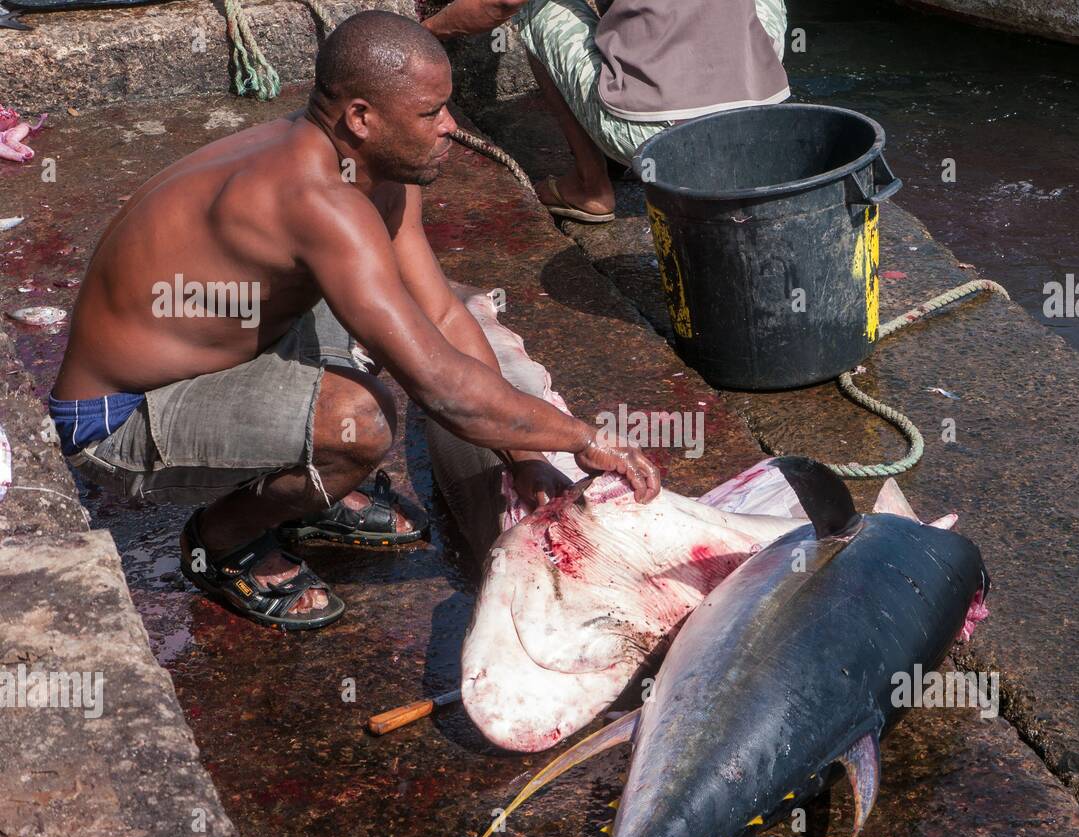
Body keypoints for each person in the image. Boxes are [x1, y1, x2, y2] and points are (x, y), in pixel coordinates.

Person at [48, 10, 660, 631]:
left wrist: (523, 456)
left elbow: (442, 315)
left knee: (389, 316)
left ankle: (309, 492)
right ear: (362, 118)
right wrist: (582, 438)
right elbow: (443, 390)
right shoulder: (318, 199)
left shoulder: (378, 165)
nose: (450, 127)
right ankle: (223, 540)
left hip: (227, 352)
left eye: (446, 108)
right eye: (430, 114)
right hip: (118, 417)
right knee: (360, 426)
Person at [423, 0, 789, 222]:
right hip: (760, 119)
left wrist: (424, 31)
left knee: (535, 6)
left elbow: (500, 4)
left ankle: (590, 185)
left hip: (656, 134)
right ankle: (742, 90)